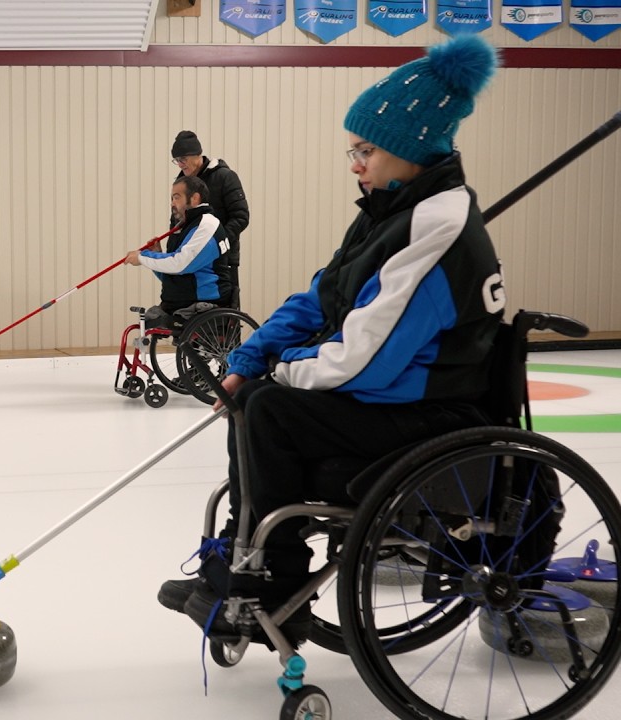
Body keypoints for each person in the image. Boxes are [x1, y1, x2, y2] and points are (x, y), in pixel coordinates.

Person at [158, 35, 506, 643]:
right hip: (393, 392)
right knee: (259, 398)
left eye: (365, 149)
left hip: (430, 408)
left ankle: (273, 585)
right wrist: (252, 354)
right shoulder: (386, 210)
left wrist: (281, 371)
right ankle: (243, 562)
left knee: (270, 408)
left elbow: (361, 356)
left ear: (411, 147)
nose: (355, 163)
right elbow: (322, 296)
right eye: (353, 149)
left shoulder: (437, 226)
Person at [126, 174, 234, 326]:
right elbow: (174, 274)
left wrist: (143, 257)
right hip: (179, 301)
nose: (172, 203)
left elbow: (179, 264)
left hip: (203, 301)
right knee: (143, 324)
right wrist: (157, 255)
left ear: (194, 198)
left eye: (176, 197)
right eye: (171, 198)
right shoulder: (184, 226)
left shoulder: (207, 225)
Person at [170, 131, 250, 307]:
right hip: (192, 258)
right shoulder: (182, 182)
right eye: (176, 159)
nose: (180, 164)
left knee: (219, 320)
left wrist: (217, 244)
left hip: (222, 260)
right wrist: (172, 251)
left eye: (183, 158)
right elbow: (176, 221)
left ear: (197, 155)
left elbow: (241, 216)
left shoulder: (225, 177)